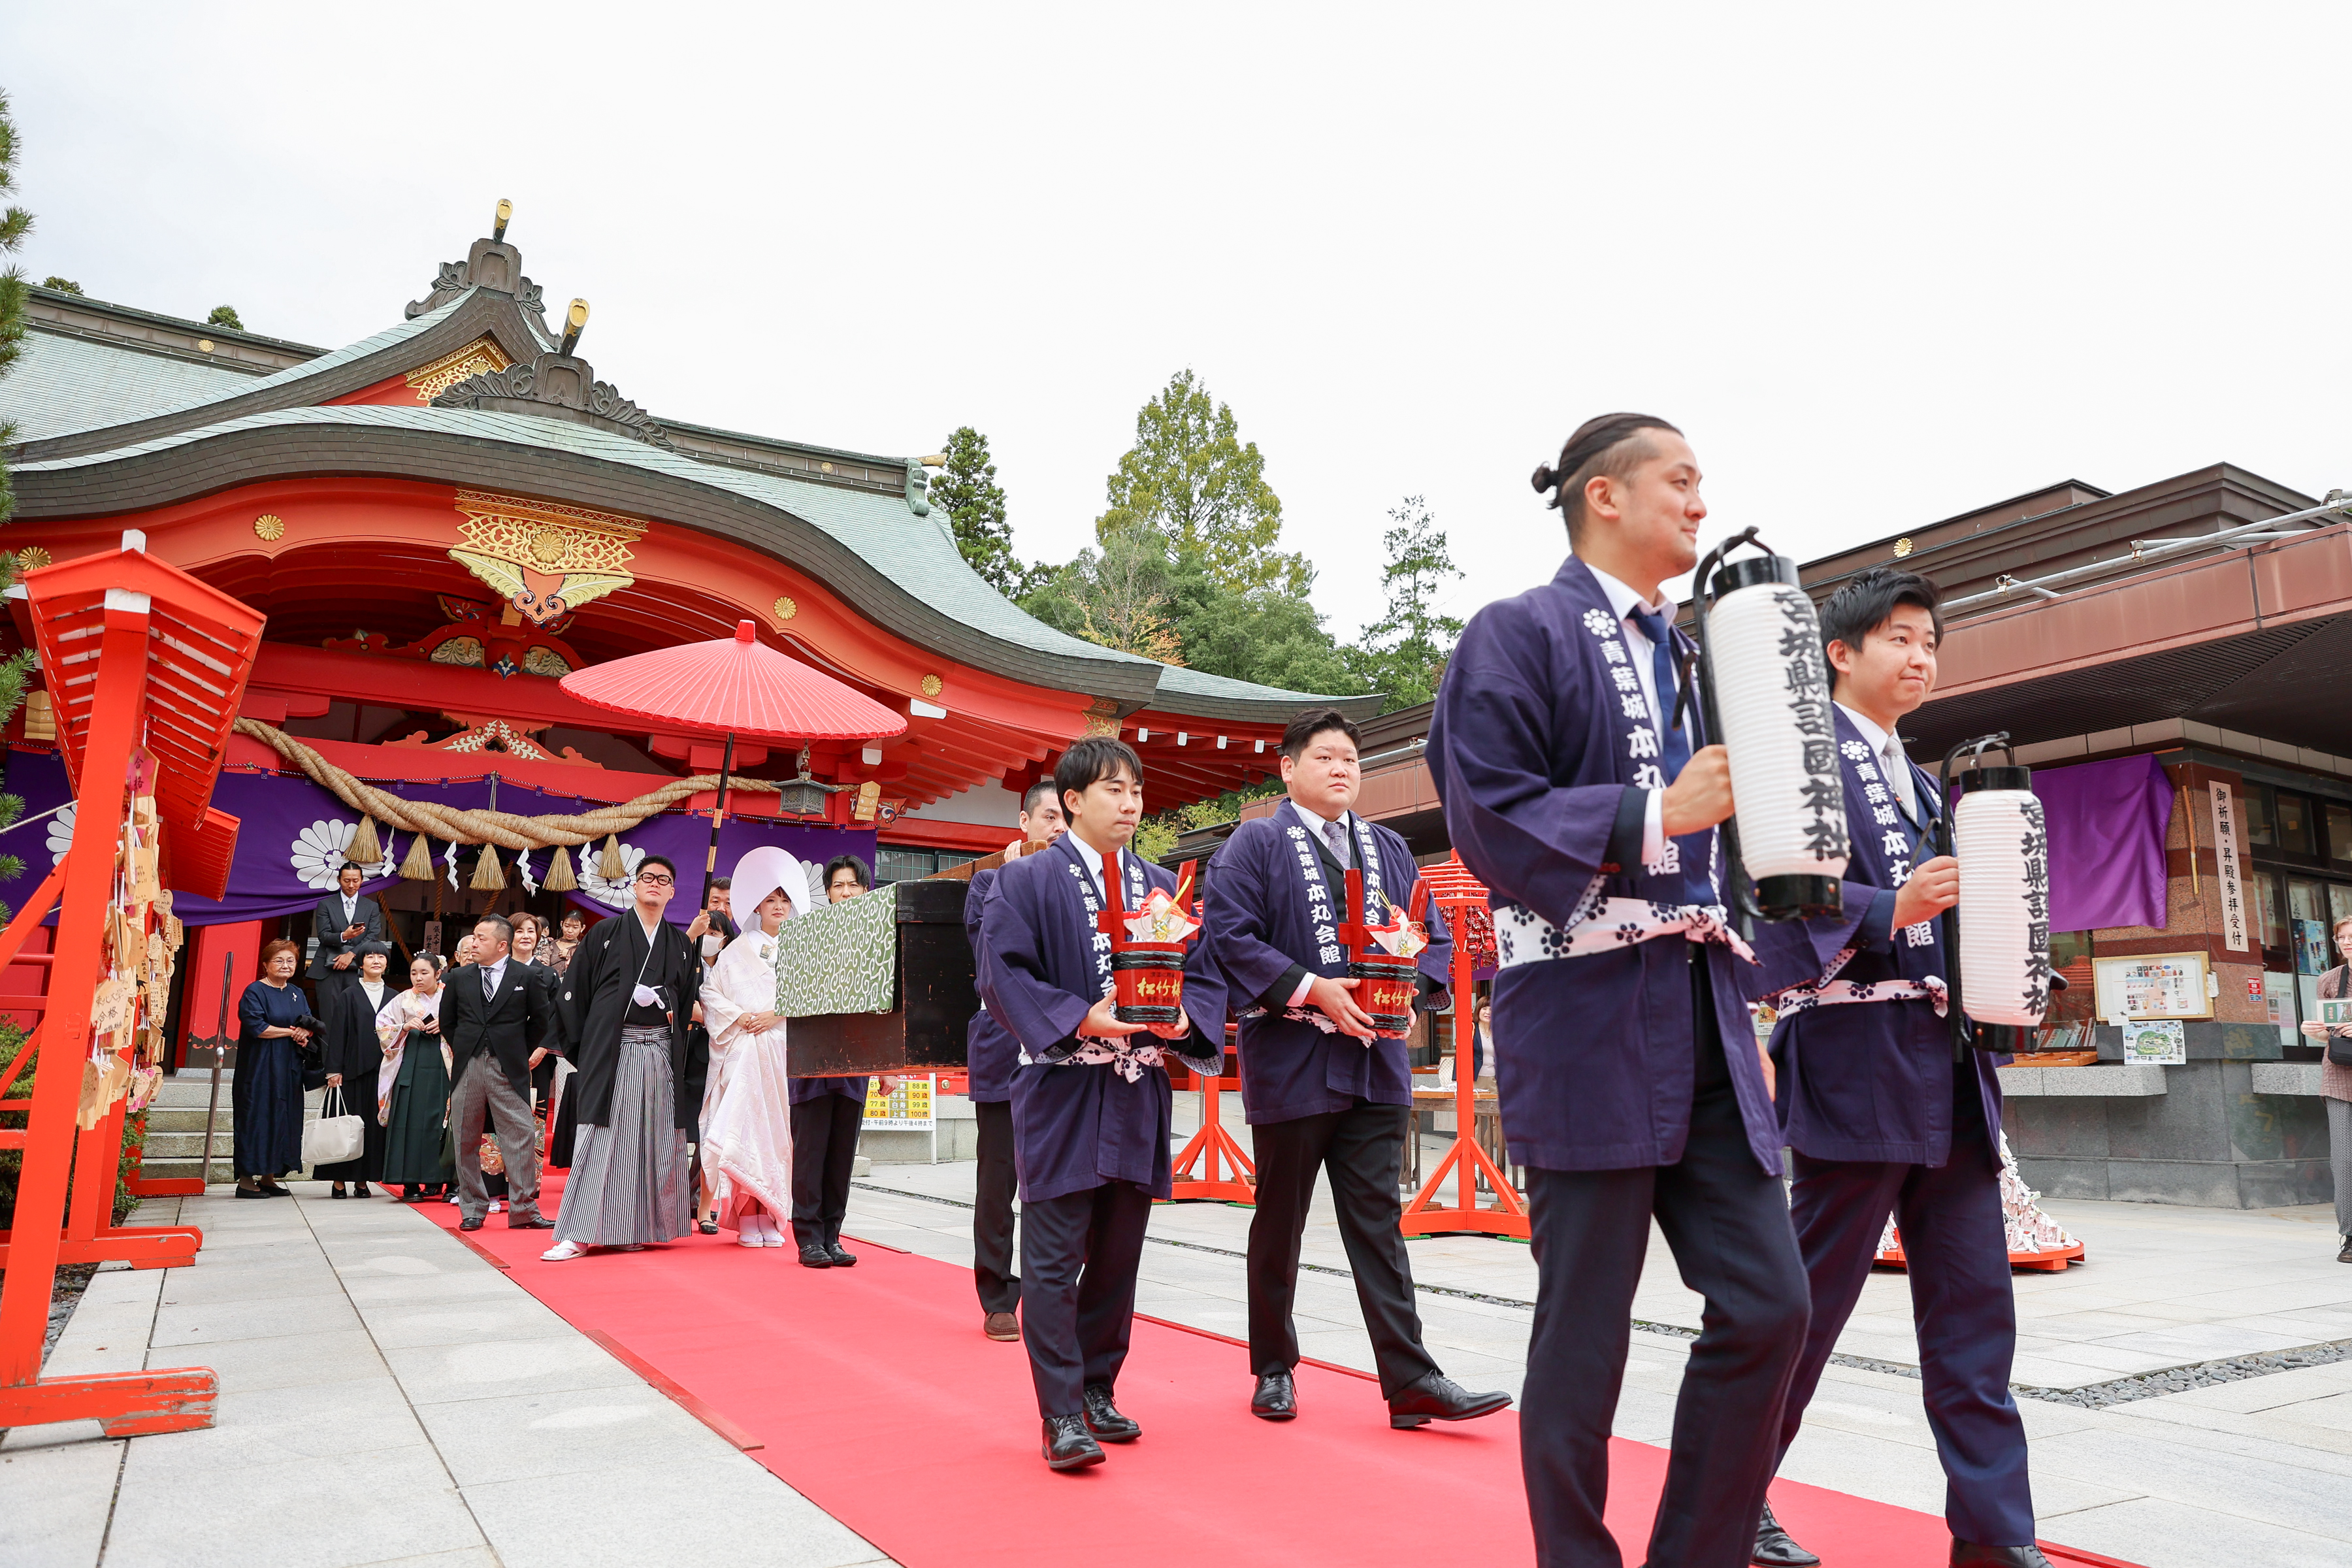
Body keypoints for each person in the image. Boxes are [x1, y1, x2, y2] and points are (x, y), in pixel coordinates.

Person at [1428, 414, 1810, 1568]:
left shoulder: (1702, 656)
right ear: (1605, 495)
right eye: (1681, 481)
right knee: (1584, 1334)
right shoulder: (1517, 632)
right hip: (1587, 1021)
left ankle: (1699, 1549)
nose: (1701, 504)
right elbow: (1484, 811)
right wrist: (1654, 815)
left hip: (1700, 1013)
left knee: (1770, 1304)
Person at [1740, 566, 2050, 1568]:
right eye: (1901, 639)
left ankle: (1998, 1541)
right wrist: (1889, 911)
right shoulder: (1799, 765)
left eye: (1931, 643)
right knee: (1804, 1313)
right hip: (1854, 1065)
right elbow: (1768, 922)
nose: (1921, 658)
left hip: (1950, 1074)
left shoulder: (1924, 781)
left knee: (1976, 1324)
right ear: (1842, 651)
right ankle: (1731, 1501)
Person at [1206, 707, 1509, 1430]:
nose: (1342, 769)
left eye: (1351, 759)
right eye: (1325, 757)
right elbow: (1228, 934)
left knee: (1378, 1223)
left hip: (1375, 1061)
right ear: (1288, 767)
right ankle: (1274, 1366)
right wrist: (1311, 988)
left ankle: (1410, 1378)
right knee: (1281, 1219)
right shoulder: (1254, 845)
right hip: (1295, 1057)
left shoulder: (1390, 850)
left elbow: (1433, 940)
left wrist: (1413, 990)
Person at [981, 736, 1227, 1471]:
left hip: (1137, 1088)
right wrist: (1083, 1017)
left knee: (1119, 1255)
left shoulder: (1166, 889)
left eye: (1137, 791)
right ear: (1074, 803)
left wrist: (1184, 1019)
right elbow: (1001, 974)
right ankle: (1060, 1413)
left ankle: (1097, 1391)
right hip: (1063, 1085)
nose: (1129, 803)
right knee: (1055, 1258)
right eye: (1113, 790)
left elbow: (1205, 977)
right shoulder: (1024, 884)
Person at [547, 855, 698, 1260]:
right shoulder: (606, 934)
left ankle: (636, 1226)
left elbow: (683, 1008)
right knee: (603, 1138)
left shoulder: (681, 944)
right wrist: (590, 1045)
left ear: (671, 891)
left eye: (663, 880)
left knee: (654, 1141)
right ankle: (579, 1232)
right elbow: (574, 992)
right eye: (647, 877)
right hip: (616, 1049)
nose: (654, 884)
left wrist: (660, 1000)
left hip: (661, 1053)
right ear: (635, 885)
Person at [964, 779, 1068, 1340]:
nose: (1057, 827)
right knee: (999, 1178)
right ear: (1023, 824)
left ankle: (1055, 1290)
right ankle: (998, 1294)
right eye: (1047, 816)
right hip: (1004, 1048)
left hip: (1070, 1052)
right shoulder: (987, 883)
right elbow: (991, 958)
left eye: (1064, 817)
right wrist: (1011, 878)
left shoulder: (1083, 885)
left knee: (1060, 1181)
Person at [697, 848, 806, 1249]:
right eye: (770, 900)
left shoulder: (800, 949)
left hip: (780, 1050)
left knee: (776, 1134)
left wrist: (777, 1014)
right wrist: (742, 1018)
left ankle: (770, 1211)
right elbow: (710, 994)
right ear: (757, 906)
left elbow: (808, 997)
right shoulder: (734, 951)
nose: (778, 907)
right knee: (744, 1129)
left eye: (784, 901)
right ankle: (746, 1214)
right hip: (743, 1050)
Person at [790, 854, 890, 1268]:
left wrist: (886, 1066)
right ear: (827, 893)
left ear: (866, 891)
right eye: (838, 886)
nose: (846, 892)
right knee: (811, 1152)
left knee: (841, 1154)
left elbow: (886, 1005)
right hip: (813, 1061)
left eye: (853, 885)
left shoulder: (878, 941)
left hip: (854, 1063)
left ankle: (833, 1233)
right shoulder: (805, 934)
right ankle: (808, 1236)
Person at [438, 914, 559, 1233]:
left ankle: (523, 1209)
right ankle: (473, 1208)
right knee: (466, 1136)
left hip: (509, 1065)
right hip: (469, 1064)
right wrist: (467, 1048)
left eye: (481, 938)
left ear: (502, 945)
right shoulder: (458, 977)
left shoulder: (529, 976)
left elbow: (540, 1023)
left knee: (520, 1135)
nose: (473, 943)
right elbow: (448, 1022)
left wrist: (517, 1052)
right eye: (474, 937)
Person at [232, 939, 319, 1198]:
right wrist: (291, 1032)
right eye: (279, 960)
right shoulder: (255, 991)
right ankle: (247, 1181)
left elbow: (306, 1020)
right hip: (259, 1068)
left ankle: (269, 1177)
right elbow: (257, 1027)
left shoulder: (296, 992)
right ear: (266, 965)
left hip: (289, 1066)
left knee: (284, 1118)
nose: (285, 965)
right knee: (257, 1118)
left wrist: (305, 1032)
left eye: (290, 960)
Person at [318, 940, 394, 1198]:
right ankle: (339, 1181)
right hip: (351, 1069)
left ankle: (363, 1181)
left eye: (381, 957)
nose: (376, 960)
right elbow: (338, 1033)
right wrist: (333, 1070)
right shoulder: (349, 994)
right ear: (360, 964)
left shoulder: (396, 997)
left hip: (384, 1070)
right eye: (370, 957)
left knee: (373, 1127)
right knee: (348, 1126)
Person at [380, 953, 453, 1202]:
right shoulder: (403, 999)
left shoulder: (451, 997)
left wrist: (447, 1024)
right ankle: (410, 1183)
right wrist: (403, 1026)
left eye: (424, 973)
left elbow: (470, 1023)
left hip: (444, 1064)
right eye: (414, 973)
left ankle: (446, 1181)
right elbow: (382, 1026)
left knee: (443, 1121)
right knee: (408, 1121)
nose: (418, 978)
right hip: (412, 1061)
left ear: (438, 973)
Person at [687, 878, 737, 1233]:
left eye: (727, 903)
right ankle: (675, 1200)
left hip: (723, 1053)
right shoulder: (685, 957)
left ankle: (703, 1205)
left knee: (712, 1132)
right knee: (682, 1128)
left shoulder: (737, 963)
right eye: (714, 902)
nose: (719, 908)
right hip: (686, 1053)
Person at [2303, 913, 2352, 1266]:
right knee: (2344, 1160)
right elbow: (2326, 1035)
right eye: (2342, 938)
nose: (2348, 942)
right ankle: (2350, 1236)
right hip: (2339, 1077)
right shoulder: (2329, 980)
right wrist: (2314, 1031)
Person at [308, 861, 385, 1005]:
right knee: (329, 1015)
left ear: (362, 880)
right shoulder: (325, 904)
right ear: (338, 880)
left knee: (355, 1014)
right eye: (346, 881)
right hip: (329, 967)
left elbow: (373, 935)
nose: (351, 885)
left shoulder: (371, 907)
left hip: (358, 967)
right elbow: (323, 935)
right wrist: (344, 936)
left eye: (355, 881)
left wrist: (351, 954)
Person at [546, 907, 589, 978]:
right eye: (567, 926)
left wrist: (572, 956)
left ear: (582, 928)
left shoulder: (583, 948)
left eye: (575, 927)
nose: (570, 930)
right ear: (561, 924)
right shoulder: (550, 944)